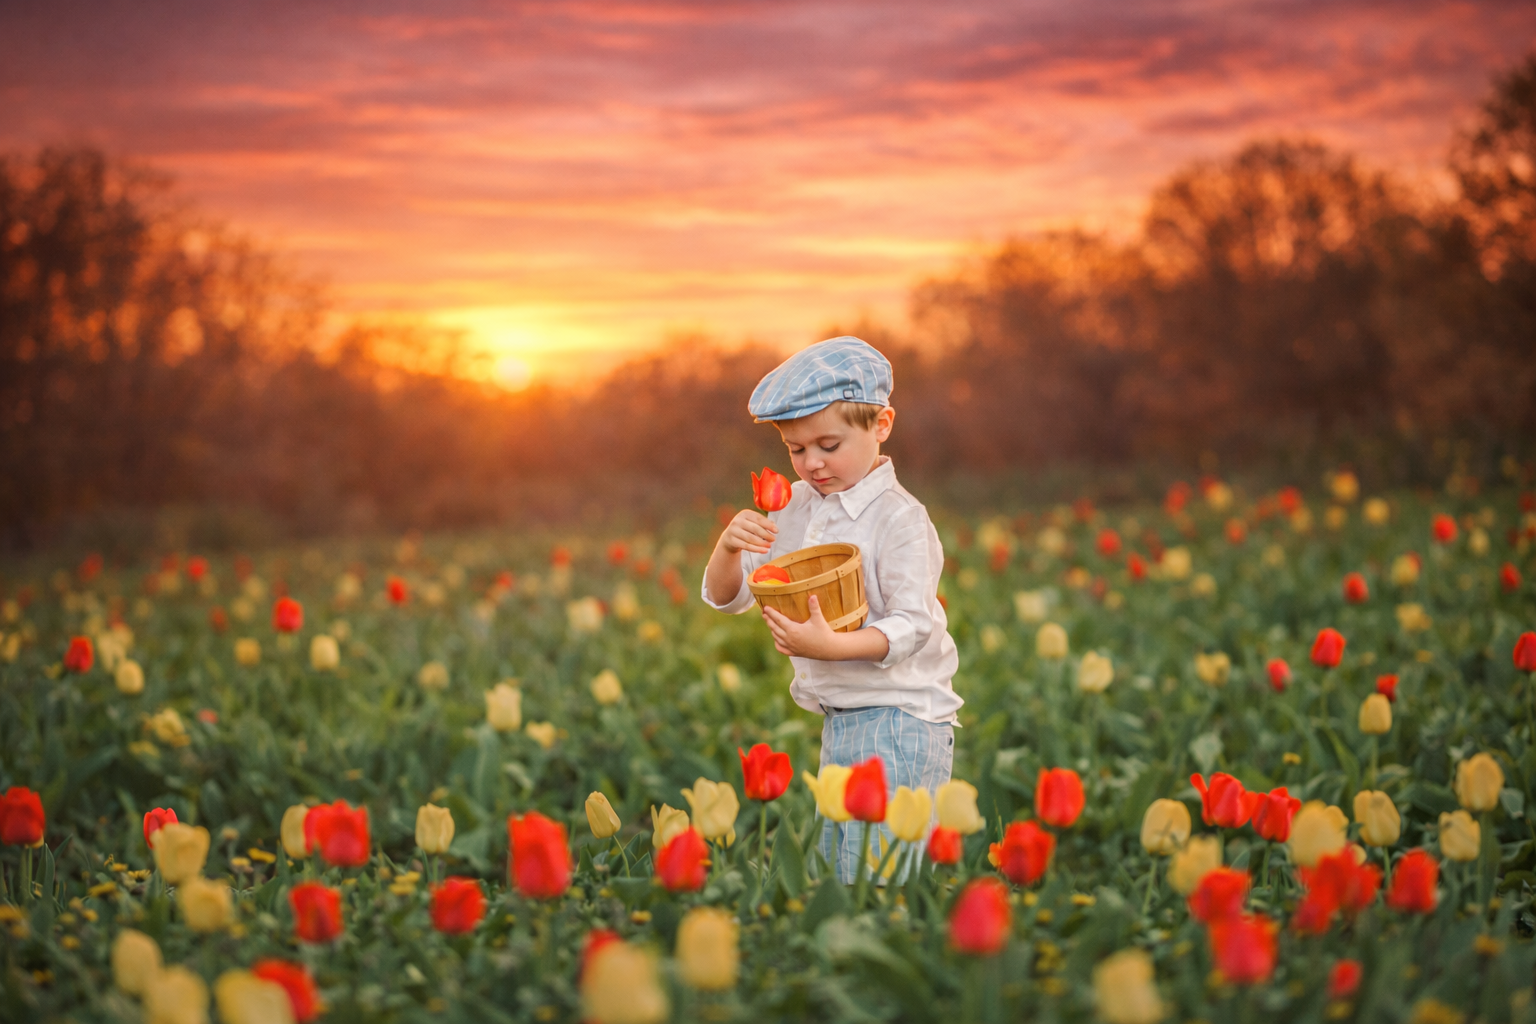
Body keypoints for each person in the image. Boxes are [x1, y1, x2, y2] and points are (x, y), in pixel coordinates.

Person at [702, 335, 962, 882]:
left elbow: (912, 625)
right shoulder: (792, 508)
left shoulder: (899, 519)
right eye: (797, 450)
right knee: (844, 873)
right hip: (840, 719)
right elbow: (731, 597)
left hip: (902, 717)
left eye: (828, 445)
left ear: (881, 424)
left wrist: (831, 647)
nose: (812, 464)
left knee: (881, 874)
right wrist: (727, 547)